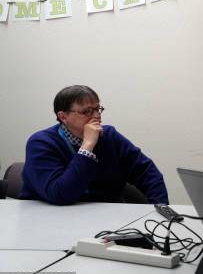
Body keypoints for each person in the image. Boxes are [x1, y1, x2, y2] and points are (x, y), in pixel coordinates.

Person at [21, 85, 169, 205]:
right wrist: (87, 146)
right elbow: (60, 194)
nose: (97, 116)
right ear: (63, 116)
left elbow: (147, 173)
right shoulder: (41, 143)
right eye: (87, 111)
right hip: (48, 221)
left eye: (98, 109)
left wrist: (160, 209)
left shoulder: (109, 136)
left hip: (103, 221)